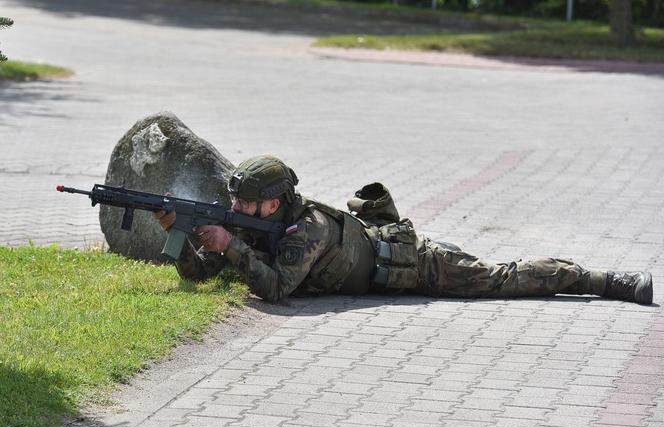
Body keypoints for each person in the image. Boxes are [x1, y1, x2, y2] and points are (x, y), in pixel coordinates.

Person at [154, 155, 653, 306]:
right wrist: (179, 233)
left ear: (276, 201)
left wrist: (230, 244)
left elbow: (276, 288)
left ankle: (602, 280)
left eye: (246, 201)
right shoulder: (256, 225)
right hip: (375, 261)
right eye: (235, 199)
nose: (235, 206)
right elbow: (200, 274)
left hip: (418, 266)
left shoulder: (307, 228)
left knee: (501, 279)